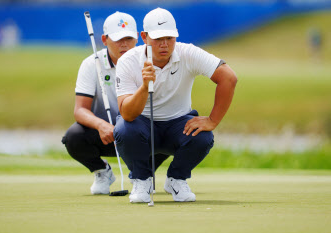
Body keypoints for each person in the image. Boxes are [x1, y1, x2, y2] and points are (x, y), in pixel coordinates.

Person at [114, 8, 237, 203]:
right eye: (158, 38)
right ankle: (142, 180)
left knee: (203, 135)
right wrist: (145, 87)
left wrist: (213, 120)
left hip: (178, 124)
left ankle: (176, 179)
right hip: (142, 125)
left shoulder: (188, 53)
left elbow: (228, 78)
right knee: (124, 130)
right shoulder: (128, 61)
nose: (164, 44)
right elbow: (127, 114)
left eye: (170, 38)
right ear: (144, 37)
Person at [62, 11, 169, 195]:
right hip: (106, 135)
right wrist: (101, 125)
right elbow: (80, 110)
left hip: (139, 133)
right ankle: (102, 172)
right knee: (73, 137)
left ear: (137, 37)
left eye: (128, 38)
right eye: (118, 39)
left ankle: (146, 173)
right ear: (104, 39)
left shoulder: (150, 63)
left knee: (167, 127)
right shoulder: (91, 64)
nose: (124, 44)